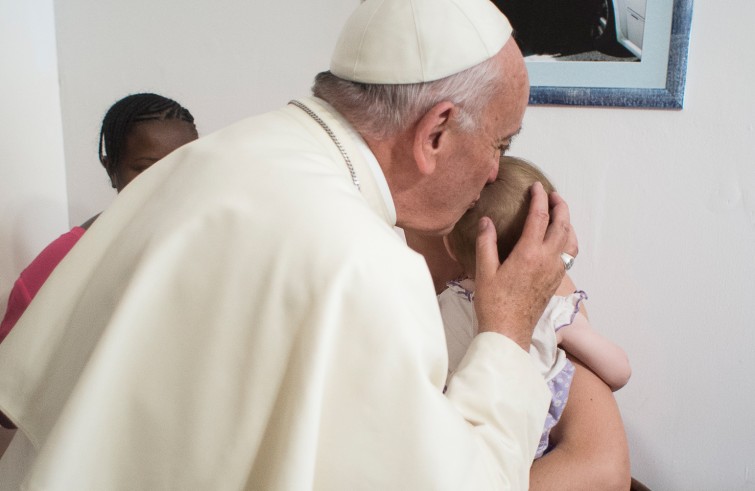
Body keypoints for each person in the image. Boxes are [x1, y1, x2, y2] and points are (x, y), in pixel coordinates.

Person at [0, 1, 579, 489]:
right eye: (501, 143)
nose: (492, 173)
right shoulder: (364, 262)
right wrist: (508, 330)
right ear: (435, 131)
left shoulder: (220, 153)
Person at [440, 156, 631, 456]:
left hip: (454, 446)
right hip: (524, 455)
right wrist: (564, 264)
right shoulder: (551, 312)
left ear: (449, 246)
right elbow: (620, 371)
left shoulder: (442, 305)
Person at [0, 93, 198, 344]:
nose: (168, 180)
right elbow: (13, 366)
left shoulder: (215, 241)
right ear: (110, 166)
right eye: (146, 168)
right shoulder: (65, 260)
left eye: (184, 164)